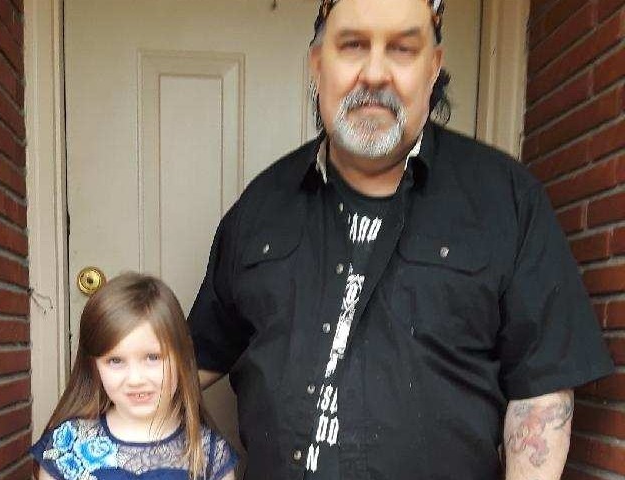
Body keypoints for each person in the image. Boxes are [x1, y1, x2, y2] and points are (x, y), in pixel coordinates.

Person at [188, 0, 614, 479]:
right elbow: (192, 362)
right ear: (317, 64)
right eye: (353, 45)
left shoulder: (507, 200)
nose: (375, 73)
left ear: (433, 67)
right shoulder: (261, 206)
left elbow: (541, 393)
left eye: (402, 49)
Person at [31, 273, 238, 480]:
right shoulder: (67, 446)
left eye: (153, 357)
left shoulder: (210, 454)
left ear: (182, 357)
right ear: (94, 366)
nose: (135, 380)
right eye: (115, 361)